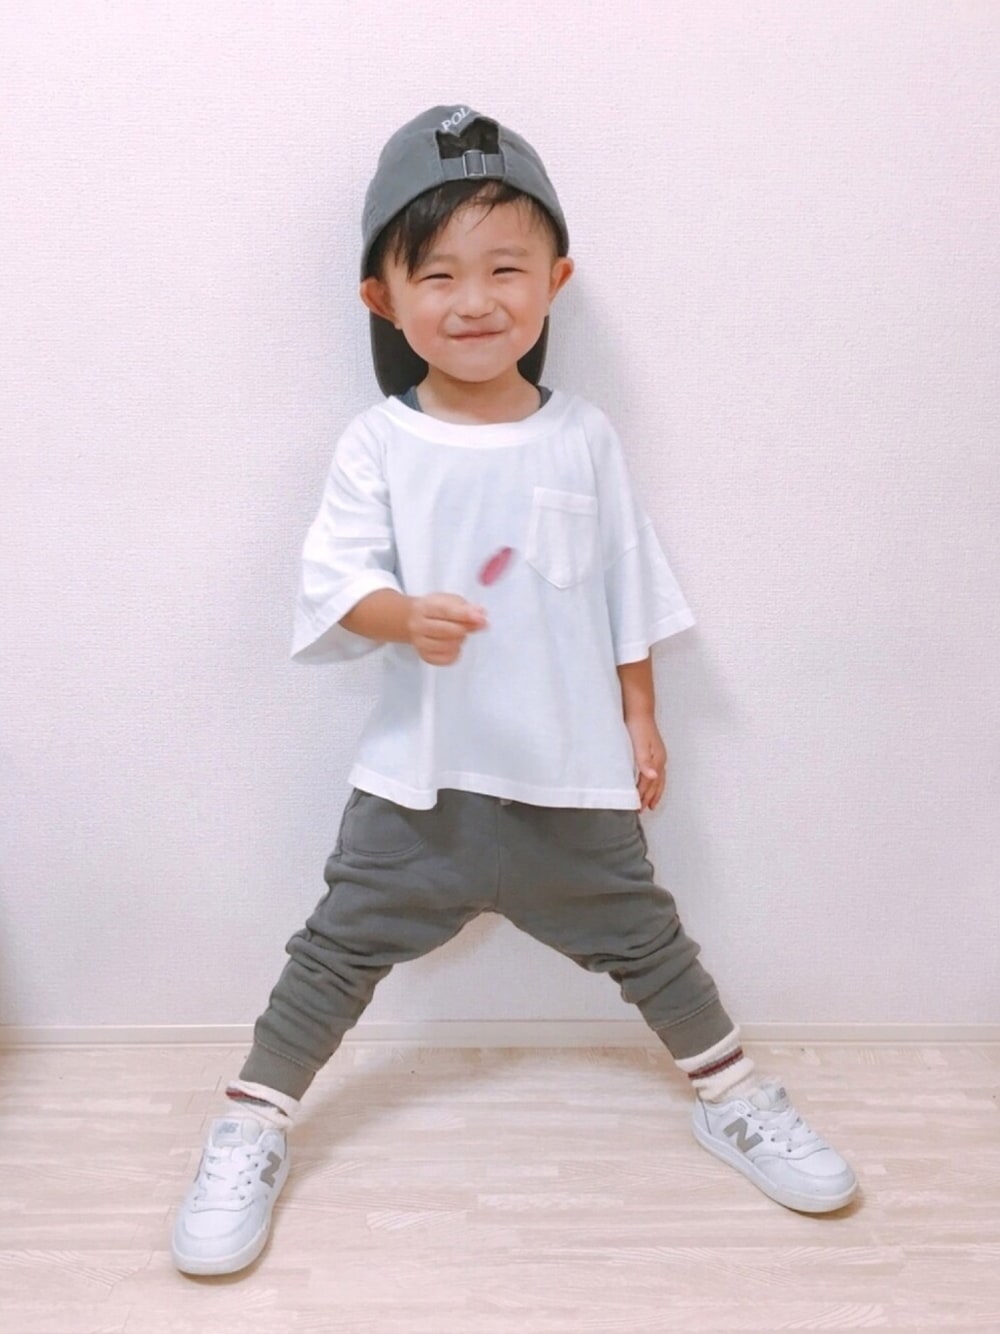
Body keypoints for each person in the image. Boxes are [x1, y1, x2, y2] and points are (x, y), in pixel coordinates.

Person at [170, 104, 858, 1277]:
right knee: (331, 956)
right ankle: (251, 1120)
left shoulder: (582, 436)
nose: (474, 299)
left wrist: (639, 713)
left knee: (653, 945)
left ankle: (734, 1094)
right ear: (382, 297)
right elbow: (335, 584)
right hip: (419, 783)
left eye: (504, 267)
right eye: (436, 273)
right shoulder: (377, 443)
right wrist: (402, 615)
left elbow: (624, 581)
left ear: (555, 281)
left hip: (568, 776)